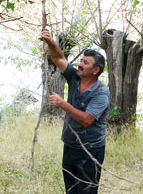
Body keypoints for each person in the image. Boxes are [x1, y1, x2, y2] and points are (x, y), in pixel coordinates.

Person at [40, 29, 110, 194]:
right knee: (71, 190)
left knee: (86, 191)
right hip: (70, 145)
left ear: (95, 71)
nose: (80, 64)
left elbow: (86, 120)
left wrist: (63, 104)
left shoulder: (101, 94)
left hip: (90, 149)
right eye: (81, 60)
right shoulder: (75, 78)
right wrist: (50, 41)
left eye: (86, 63)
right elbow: (59, 58)